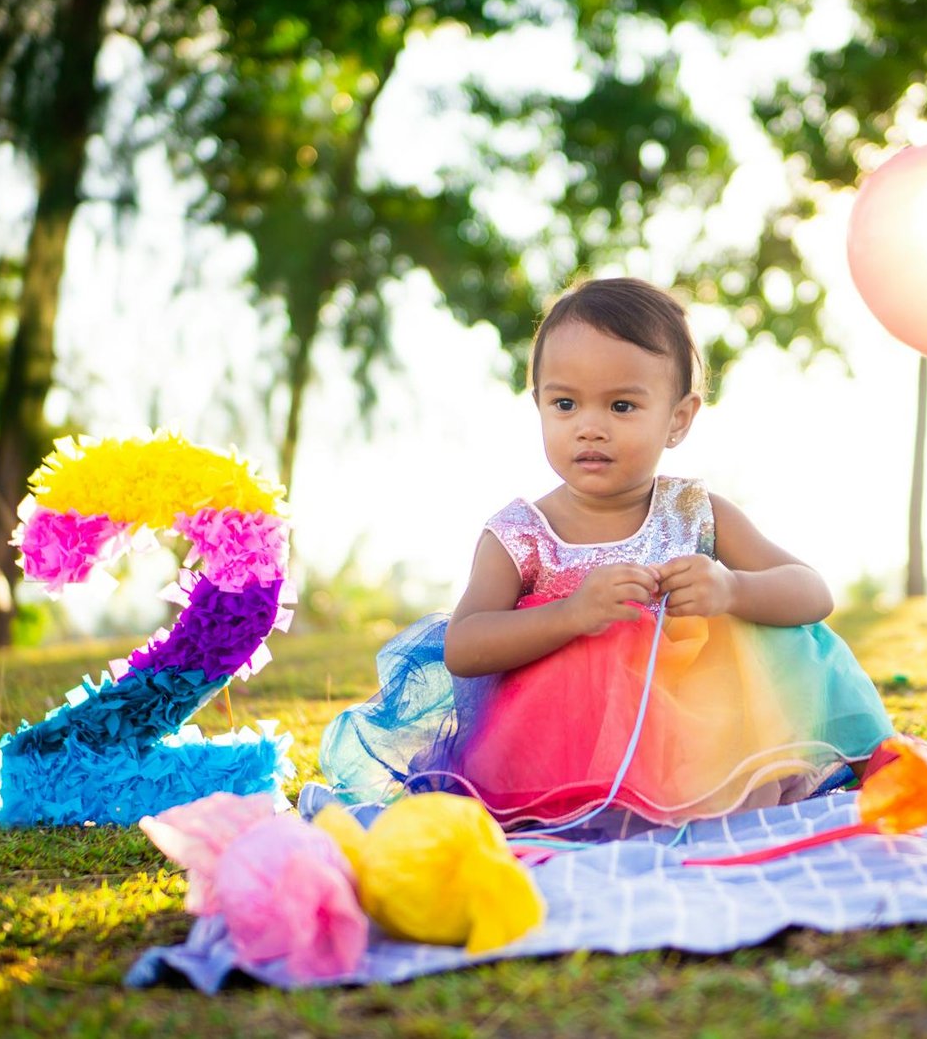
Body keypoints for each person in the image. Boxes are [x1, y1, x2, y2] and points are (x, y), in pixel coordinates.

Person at [319, 277, 897, 828]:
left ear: (678, 419)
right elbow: (465, 647)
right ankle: (621, 812)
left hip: (693, 738)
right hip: (560, 747)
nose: (589, 428)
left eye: (621, 407)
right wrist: (570, 615)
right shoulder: (520, 533)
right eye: (565, 405)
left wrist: (732, 589)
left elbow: (811, 593)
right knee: (597, 661)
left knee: (767, 630)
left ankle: (753, 788)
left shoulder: (696, 511)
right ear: (539, 405)